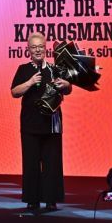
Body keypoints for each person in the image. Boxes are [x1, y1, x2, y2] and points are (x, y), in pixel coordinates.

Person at [10, 32, 72, 212]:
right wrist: (30, 82)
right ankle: (32, 200)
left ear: (45, 49)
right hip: (30, 125)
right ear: (28, 50)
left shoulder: (54, 69)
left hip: (51, 125)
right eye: (34, 47)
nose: (37, 50)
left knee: (52, 163)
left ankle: (51, 200)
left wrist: (65, 85)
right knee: (31, 164)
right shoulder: (23, 69)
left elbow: (68, 89)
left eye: (40, 47)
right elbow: (14, 92)